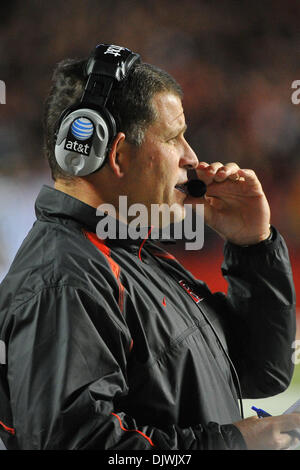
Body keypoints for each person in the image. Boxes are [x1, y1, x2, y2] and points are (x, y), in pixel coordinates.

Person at [0, 43, 299, 451]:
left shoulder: (128, 256)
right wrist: (235, 443)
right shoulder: (65, 282)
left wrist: (253, 246)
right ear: (118, 153)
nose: (192, 157)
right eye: (175, 137)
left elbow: (261, 370)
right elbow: (73, 445)